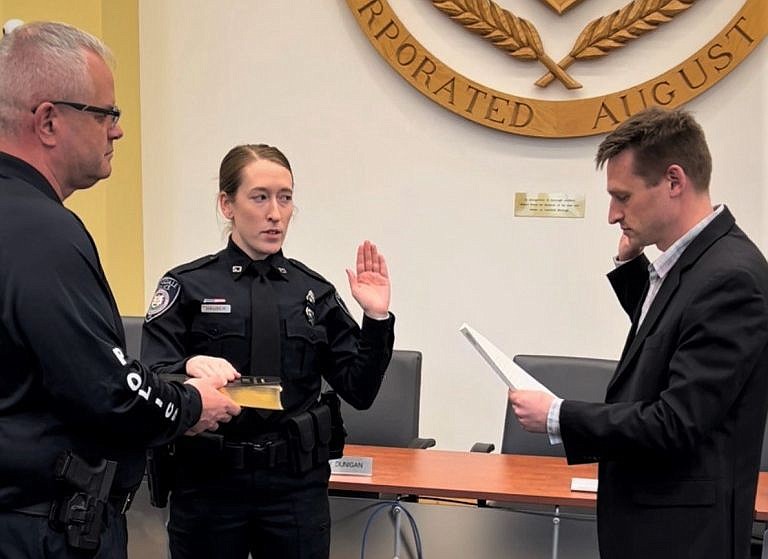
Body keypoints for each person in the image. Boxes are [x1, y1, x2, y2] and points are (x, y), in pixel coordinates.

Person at [0, 21, 241, 559]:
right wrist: (188, 402)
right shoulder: (43, 232)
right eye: (106, 113)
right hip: (41, 530)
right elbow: (107, 392)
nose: (118, 131)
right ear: (47, 121)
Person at [509, 107, 768, 559]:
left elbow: (677, 422)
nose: (612, 215)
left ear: (673, 181)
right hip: (654, 525)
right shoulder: (700, 263)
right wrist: (632, 269)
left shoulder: (731, 278)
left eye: (622, 197)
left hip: (683, 537)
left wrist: (558, 415)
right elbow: (669, 337)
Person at [141, 143, 395, 559]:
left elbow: (360, 390)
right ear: (227, 204)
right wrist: (187, 366)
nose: (275, 213)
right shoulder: (187, 286)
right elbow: (152, 376)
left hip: (294, 485)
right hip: (210, 482)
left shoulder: (313, 292)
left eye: (285, 197)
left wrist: (377, 319)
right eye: (259, 197)